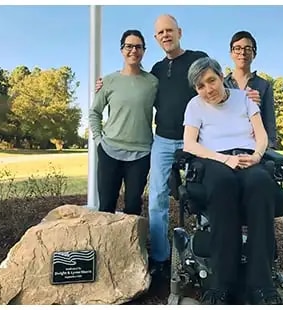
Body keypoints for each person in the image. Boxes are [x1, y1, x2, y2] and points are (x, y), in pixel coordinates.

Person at [94, 15, 261, 278]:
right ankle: (160, 258)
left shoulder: (197, 57)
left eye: (169, 30)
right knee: (157, 199)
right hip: (162, 139)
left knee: (206, 191)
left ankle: (210, 250)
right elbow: (132, 84)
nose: (165, 35)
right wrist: (106, 84)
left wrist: (246, 93)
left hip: (197, 139)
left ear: (179, 32)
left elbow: (217, 82)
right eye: (160, 32)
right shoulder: (156, 71)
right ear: (156, 38)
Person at [183, 57, 283, 305]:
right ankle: (222, 284)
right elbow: (190, 144)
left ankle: (261, 285)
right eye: (201, 86)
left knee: (260, 184)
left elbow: (262, 136)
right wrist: (223, 159)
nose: (208, 90)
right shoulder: (195, 106)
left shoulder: (245, 99)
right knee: (222, 185)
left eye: (211, 81)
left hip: (248, 156)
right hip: (213, 159)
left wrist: (256, 156)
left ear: (220, 76)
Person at [88, 29, 158, 216]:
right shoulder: (109, 81)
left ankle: (133, 245)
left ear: (144, 50)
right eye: (129, 46)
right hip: (109, 150)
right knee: (106, 207)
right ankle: (107, 245)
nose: (133, 50)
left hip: (141, 154)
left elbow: (168, 107)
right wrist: (98, 140)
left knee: (134, 207)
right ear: (121, 49)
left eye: (138, 47)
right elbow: (95, 112)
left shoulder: (152, 83)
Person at [225, 31, 277, 148]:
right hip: (225, 146)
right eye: (237, 48)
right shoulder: (222, 84)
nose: (242, 53)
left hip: (253, 147)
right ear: (231, 53)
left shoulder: (264, 85)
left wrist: (268, 147)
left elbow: (269, 122)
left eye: (248, 48)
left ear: (254, 54)